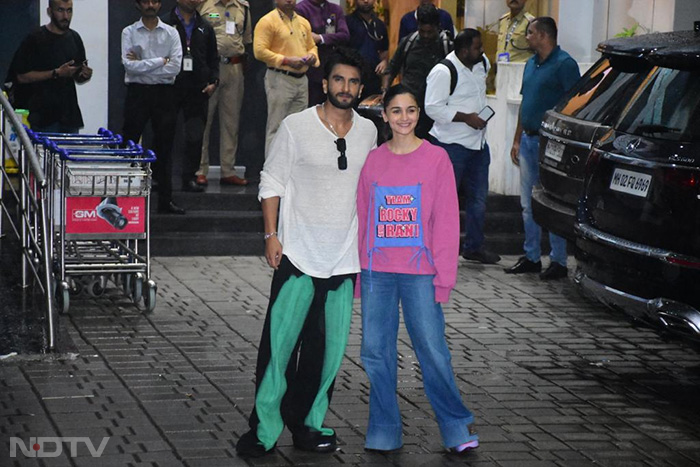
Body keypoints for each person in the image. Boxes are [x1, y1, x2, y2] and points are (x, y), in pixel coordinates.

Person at [235, 48, 377, 458]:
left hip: (343, 261)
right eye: (338, 80)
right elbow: (271, 181)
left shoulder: (368, 132)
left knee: (326, 353)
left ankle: (309, 425)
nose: (345, 88)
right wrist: (271, 235)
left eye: (353, 82)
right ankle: (264, 429)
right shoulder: (296, 126)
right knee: (279, 348)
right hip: (297, 255)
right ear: (325, 83)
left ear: (360, 89)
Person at [356, 84, 479, 455]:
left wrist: (444, 278)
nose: (404, 117)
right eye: (396, 111)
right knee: (375, 351)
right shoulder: (373, 160)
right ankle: (384, 427)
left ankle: (455, 426)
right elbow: (363, 217)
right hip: (377, 273)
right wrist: (362, 274)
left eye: (411, 110)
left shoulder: (436, 159)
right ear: (385, 115)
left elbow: (445, 222)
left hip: (421, 275)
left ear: (419, 113)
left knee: (432, 349)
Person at [505, 17, 580, 279]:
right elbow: (526, 103)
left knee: (553, 202)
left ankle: (558, 260)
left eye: (531, 33)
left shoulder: (565, 65)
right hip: (527, 140)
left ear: (544, 36)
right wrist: (516, 138)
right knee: (528, 204)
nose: (527, 37)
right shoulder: (530, 64)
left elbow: (575, 106)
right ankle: (532, 256)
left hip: (552, 145)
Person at [425, 29, 500, 264]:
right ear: (464, 50)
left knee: (479, 199)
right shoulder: (443, 71)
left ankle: (474, 247)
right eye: (477, 47)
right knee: (445, 201)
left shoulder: (481, 63)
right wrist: (466, 117)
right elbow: (432, 108)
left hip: (478, 145)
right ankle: (439, 249)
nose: (482, 52)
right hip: (450, 145)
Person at [121, 0, 184, 214]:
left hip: (165, 94)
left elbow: (175, 67)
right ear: (138, 4)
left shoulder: (171, 33)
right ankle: (122, 199)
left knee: (165, 148)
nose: (151, 5)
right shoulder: (128, 32)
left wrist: (144, 64)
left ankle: (165, 202)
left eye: (155, 1)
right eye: (146, 1)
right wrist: (161, 61)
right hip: (137, 93)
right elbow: (129, 66)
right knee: (128, 145)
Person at [10, 0, 93, 133]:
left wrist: (84, 74)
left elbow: (78, 76)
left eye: (69, 10)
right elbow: (21, 76)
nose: (65, 16)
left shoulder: (75, 38)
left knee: (68, 153)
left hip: (69, 116)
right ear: (50, 11)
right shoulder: (35, 39)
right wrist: (56, 73)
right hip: (42, 116)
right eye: (60, 10)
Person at [164, 0, 219, 193]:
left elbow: (213, 58)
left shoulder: (205, 26)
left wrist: (214, 81)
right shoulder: (165, 23)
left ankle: (189, 177)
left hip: (198, 89)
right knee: (164, 133)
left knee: (195, 135)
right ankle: (159, 177)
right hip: (170, 87)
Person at [195, 0, 252, 187]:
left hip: (234, 67)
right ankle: (200, 169)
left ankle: (228, 170)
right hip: (211, 67)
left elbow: (246, 39)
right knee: (204, 120)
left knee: (231, 122)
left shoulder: (243, 7)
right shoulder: (204, 4)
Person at [253, 0, 319, 158]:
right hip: (280, 78)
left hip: (302, 80)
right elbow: (259, 51)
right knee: (276, 127)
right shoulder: (267, 21)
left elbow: (312, 46)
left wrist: (313, 56)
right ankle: (271, 174)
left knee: (298, 128)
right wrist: (286, 60)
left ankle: (292, 171)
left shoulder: (303, 22)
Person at [383, 3, 452, 139]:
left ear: (437, 26)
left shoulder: (446, 46)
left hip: (434, 109)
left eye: (430, 32)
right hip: (409, 105)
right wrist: (385, 91)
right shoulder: (408, 42)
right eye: (422, 31)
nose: (425, 36)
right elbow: (391, 69)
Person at [295, 0, 350, 107]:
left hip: (331, 67)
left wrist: (321, 38)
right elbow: (301, 37)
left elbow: (344, 35)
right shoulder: (301, 9)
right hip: (310, 69)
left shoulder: (335, 9)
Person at [346, 0, 388, 98]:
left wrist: (384, 62)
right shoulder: (347, 22)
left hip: (374, 79)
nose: (366, 1)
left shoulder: (380, 25)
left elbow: (384, 51)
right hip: (353, 76)